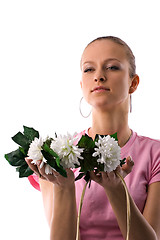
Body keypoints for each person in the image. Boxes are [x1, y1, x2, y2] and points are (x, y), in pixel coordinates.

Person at [25, 36, 160, 240]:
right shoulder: (57, 154)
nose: (99, 76)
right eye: (89, 69)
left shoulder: (155, 154)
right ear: (81, 84)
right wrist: (65, 187)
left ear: (133, 83)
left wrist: (116, 190)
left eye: (112, 67)